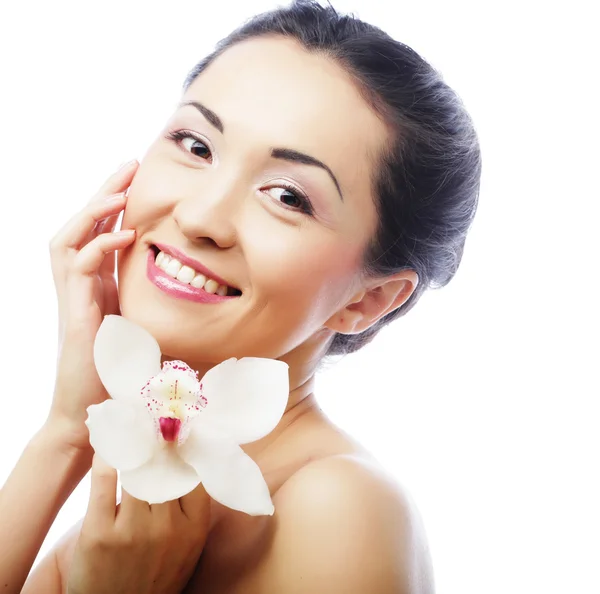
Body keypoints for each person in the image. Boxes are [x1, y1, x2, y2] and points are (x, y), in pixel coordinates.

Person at [0, 1, 480, 592]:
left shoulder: (341, 510)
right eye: (196, 146)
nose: (202, 216)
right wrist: (67, 430)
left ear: (369, 299)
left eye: (286, 196)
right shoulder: (133, 504)